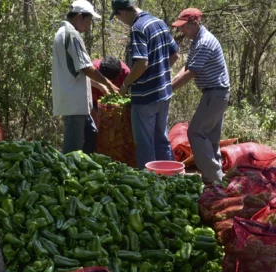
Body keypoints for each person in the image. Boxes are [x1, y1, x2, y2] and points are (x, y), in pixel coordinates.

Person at [109, 0, 179, 169]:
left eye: (118, 16)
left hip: (146, 96)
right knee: (161, 138)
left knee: (145, 143)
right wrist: (159, 71)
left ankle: (150, 185)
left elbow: (141, 63)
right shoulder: (159, 22)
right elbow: (175, 54)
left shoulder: (138, 28)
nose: (120, 20)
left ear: (123, 12)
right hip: (164, 93)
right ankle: (170, 179)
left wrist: (125, 85)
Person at [171, 8, 230, 185]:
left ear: (194, 23)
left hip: (216, 92)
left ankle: (214, 177)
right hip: (214, 93)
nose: (182, 30)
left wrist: (168, 90)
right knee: (210, 137)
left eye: (184, 26)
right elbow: (188, 66)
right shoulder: (196, 40)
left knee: (195, 132)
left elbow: (191, 73)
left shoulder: (204, 42)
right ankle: (214, 180)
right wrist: (172, 80)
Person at [52, 0, 119, 154]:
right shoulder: (72, 35)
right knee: (73, 149)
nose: (89, 26)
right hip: (73, 103)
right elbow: (86, 68)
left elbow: (77, 70)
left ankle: (85, 171)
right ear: (79, 16)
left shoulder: (62, 33)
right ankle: (68, 176)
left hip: (75, 101)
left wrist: (100, 85)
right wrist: (109, 84)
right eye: (88, 21)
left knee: (91, 134)